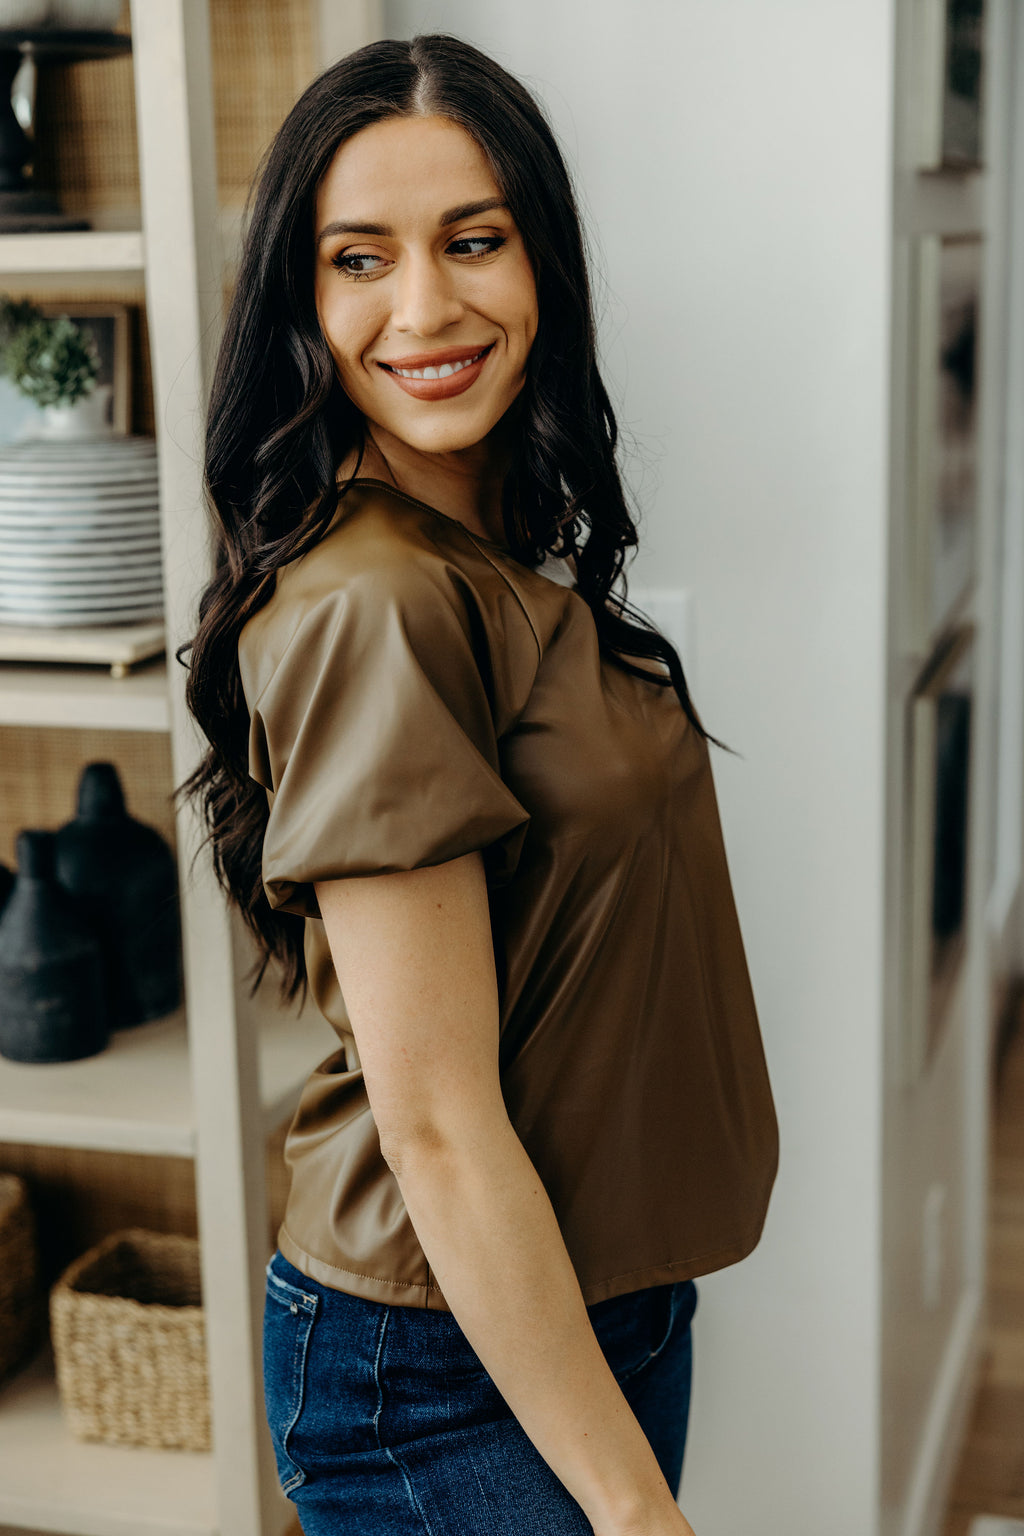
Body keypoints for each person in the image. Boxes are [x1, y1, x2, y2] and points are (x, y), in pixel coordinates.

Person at [183, 32, 778, 1536]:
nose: (428, 307)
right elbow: (435, 1122)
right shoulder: (374, 600)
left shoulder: (487, 546)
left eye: (472, 240)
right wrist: (640, 1516)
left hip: (583, 1310)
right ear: (304, 308)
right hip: (432, 1359)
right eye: (359, 259)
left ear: (540, 265)